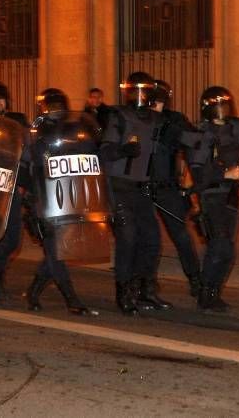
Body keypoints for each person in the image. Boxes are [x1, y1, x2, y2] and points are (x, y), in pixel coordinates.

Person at [24, 88, 108, 315]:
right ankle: (72, 299)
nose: (54, 111)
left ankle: (33, 292)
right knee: (55, 251)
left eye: (57, 107)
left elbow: (92, 152)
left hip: (69, 196)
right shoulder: (34, 132)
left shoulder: (74, 129)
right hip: (44, 197)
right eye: (51, 107)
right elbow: (27, 165)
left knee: (58, 251)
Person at [188, 86, 239, 313]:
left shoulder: (237, 129)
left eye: (224, 104)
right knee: (219, 246)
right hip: (211, 196)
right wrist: (225, 174)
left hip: (231, 196)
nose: (221, 109)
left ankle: (213, 292)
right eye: (217, 105)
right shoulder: (201, 134)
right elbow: (198, 173)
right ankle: (205, 293)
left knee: (227, 250)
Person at [101, 72, 172, 315]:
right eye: (136, 90)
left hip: (142, 189)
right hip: (119, 186)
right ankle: (124, 292)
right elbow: (105, 151)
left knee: (151, 240)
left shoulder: (156, 119)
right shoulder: (118, 116)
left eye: (144, 91)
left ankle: (146, 290)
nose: (140, 95)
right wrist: (123, 150)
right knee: (127, 240)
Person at [150, 79, 202, 297]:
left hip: (166, 186)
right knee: (146, 239)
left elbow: (194, 144)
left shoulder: (174, 120)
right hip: (140, 187)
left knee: (180, 235)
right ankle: (146, 282)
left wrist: (198, 183)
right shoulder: (135, 117)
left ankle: (196, 280)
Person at [0, 80, 29, 308]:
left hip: (12, 188)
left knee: (11, 240)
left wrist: (26, 183)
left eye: (1, 98)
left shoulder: (13, 123)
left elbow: (24, 153)